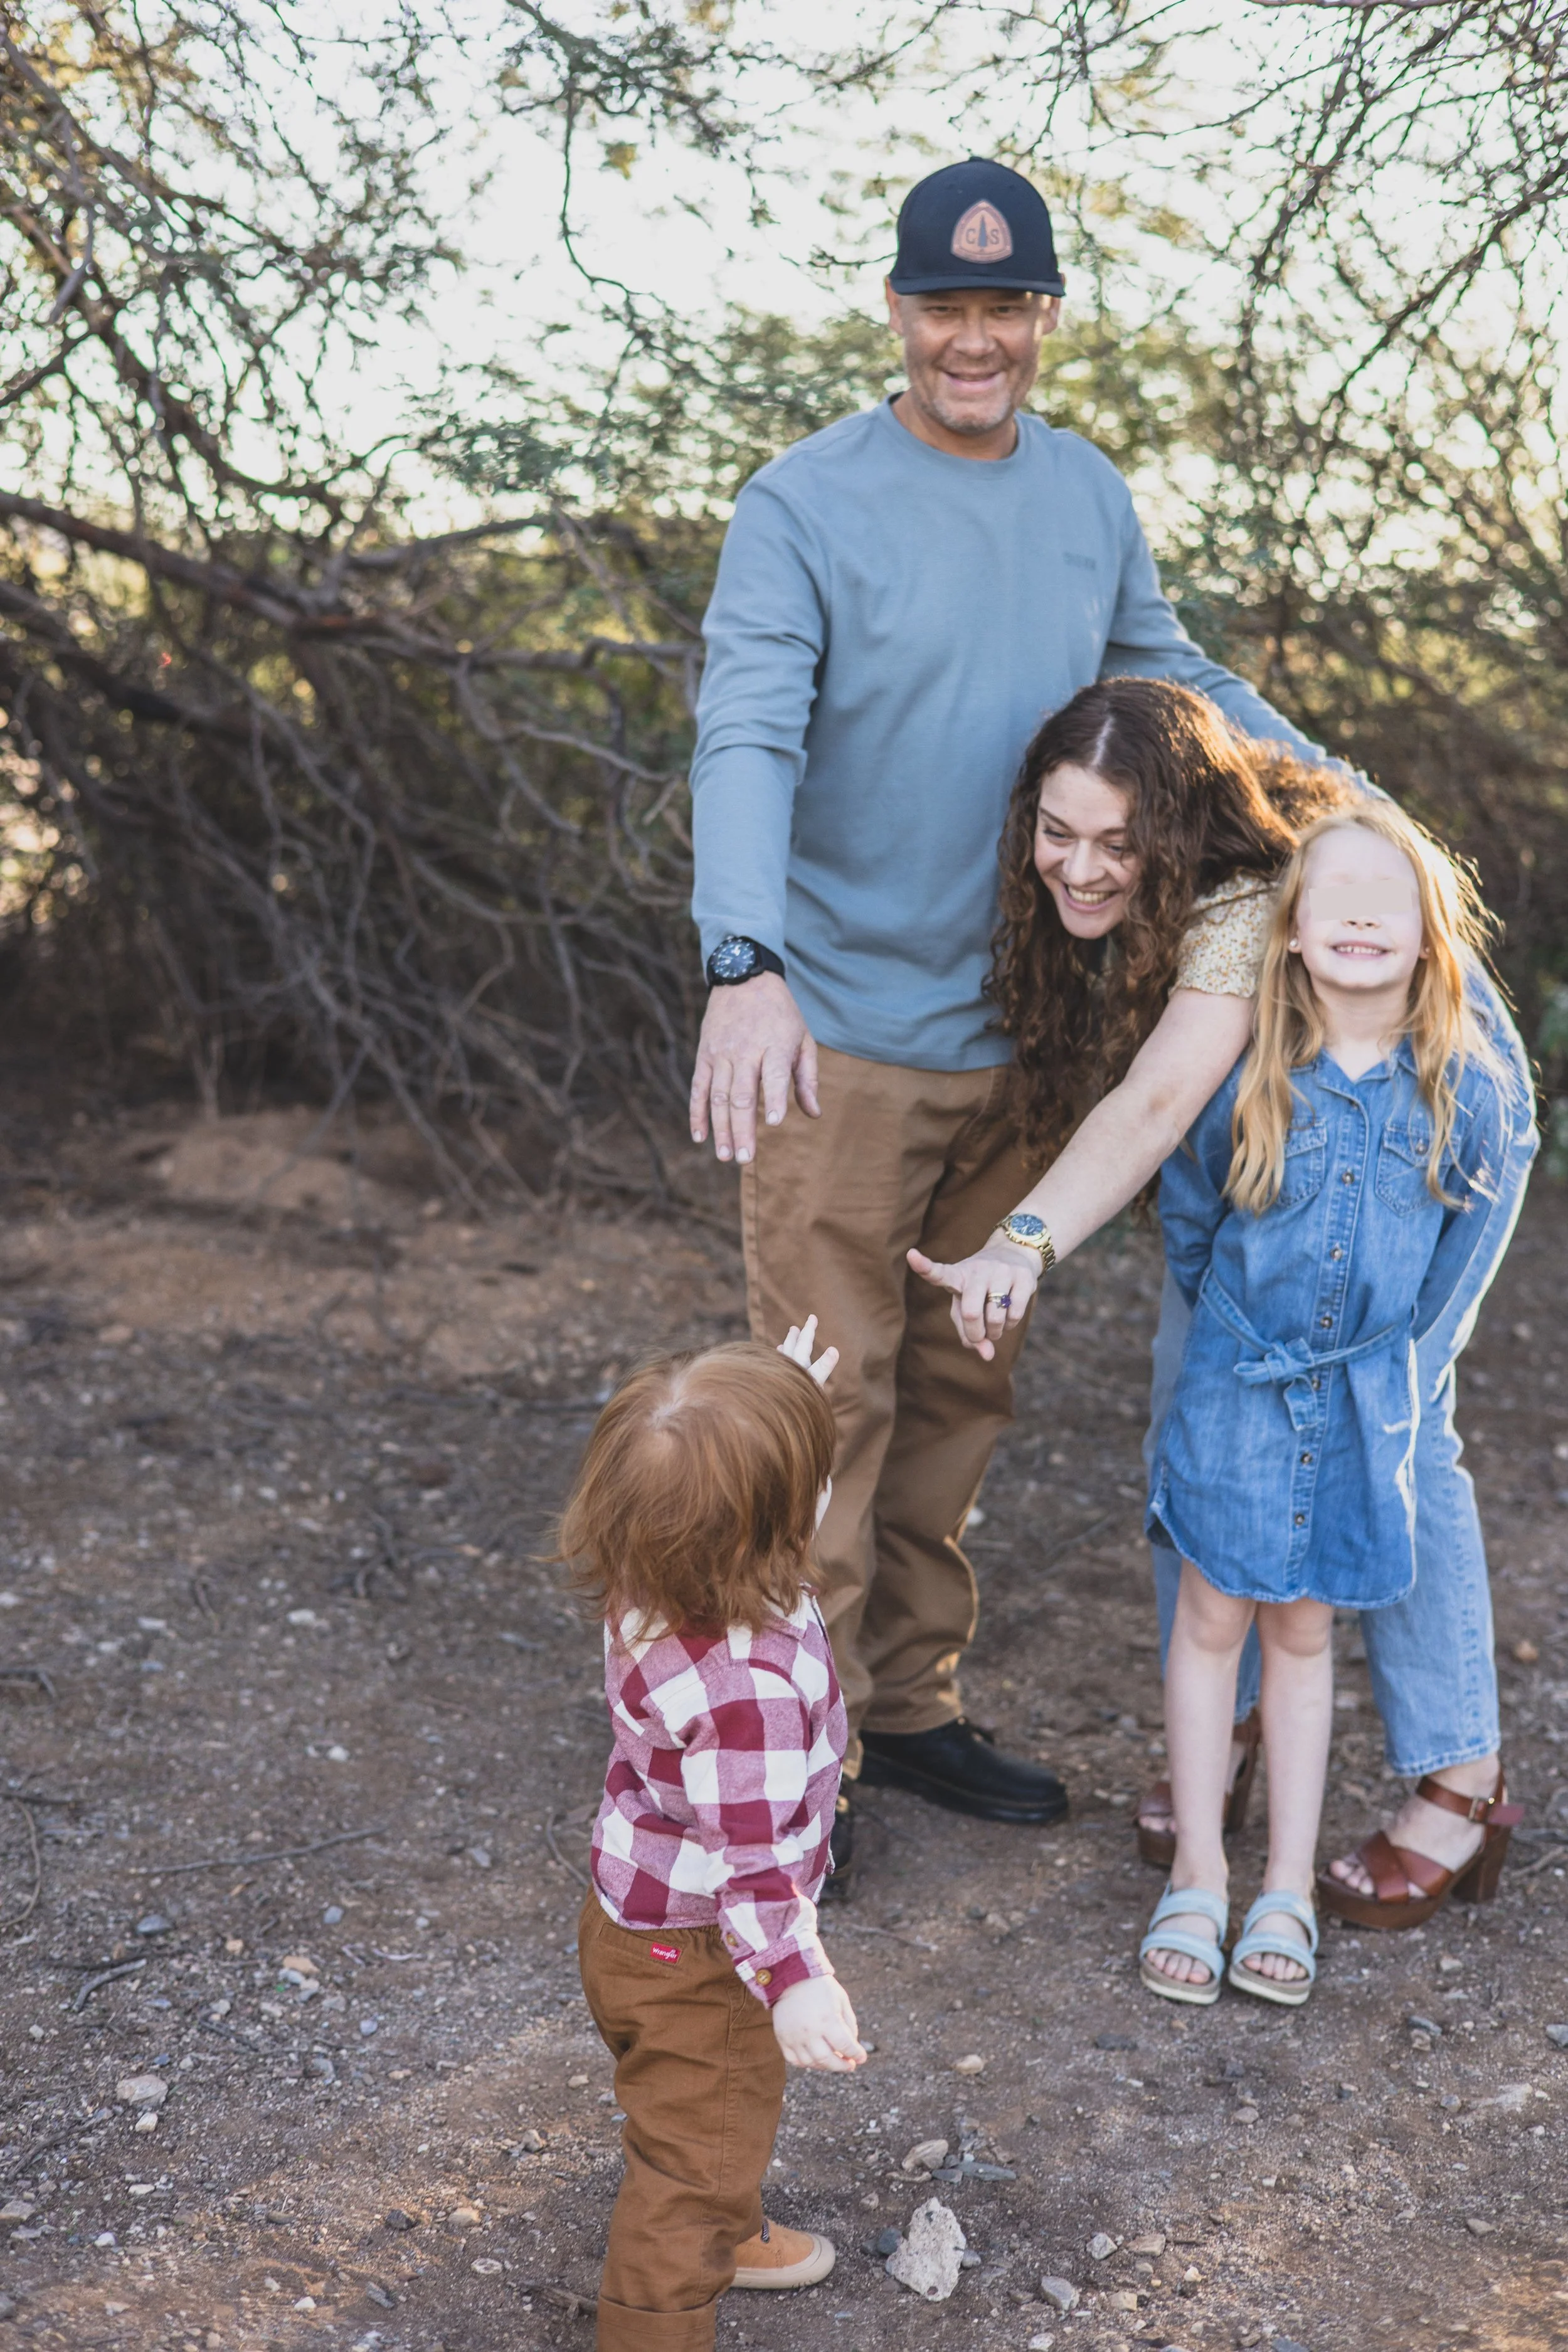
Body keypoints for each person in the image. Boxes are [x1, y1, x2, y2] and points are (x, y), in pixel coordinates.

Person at [686, 156, 1345, 1874]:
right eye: (942, 306)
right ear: (894, 311)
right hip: (841, 1040)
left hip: (1025, 1042)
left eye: (1004, 307)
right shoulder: (801, 504)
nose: (970, 338)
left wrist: (1345, 800)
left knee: (958, 1394)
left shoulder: (1083, 492)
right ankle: (802, 1746)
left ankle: (904, 1704)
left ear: (1042, 316)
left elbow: (1169, 674)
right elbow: (745, 729)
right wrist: (742, 961)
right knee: (821, 1402)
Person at [913, 679, 1537, 1925]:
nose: (1082, 867)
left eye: (1117, 841)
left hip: (1433, 1117)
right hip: (1279, 1140)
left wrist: (1023, 1240)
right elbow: (1185, 1154)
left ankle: (1458, 1779)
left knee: (1395, 1417)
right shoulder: (1134, 876)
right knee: (1195, 1410)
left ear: (1177, 826)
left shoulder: (1250, 902)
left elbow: (1155, 1108)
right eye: (1057, 834)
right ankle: (1227, 1722)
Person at [1136, 805, 1526, 2006]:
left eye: (1386, 897)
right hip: (1236, 1387)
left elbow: (1454, 1272)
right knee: (1212, 1619)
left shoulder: (1464, 1090)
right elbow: (1192, 1215)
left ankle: (1286, 1886)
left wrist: (1385, 1377)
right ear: (1293, 932)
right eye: (1332, 896)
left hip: (1359, 1402)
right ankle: (1200, 1872)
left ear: (1429, 932)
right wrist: (1234, 1339)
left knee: (1304, 1634)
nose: (1359, 915)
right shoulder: (1248, 1071)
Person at [567, 1319, 865, 2352]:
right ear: (771, 1526)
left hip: (631, 1907)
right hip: (702, 1952)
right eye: (816, 1480)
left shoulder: (656, 1567)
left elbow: (704, 1483)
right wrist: (795, 1979)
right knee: (690, 2162)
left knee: (712, 2113)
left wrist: (782, 1408)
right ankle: (658, 2316)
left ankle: (731, 2225)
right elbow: (753, 1866)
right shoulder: (751, 1694)